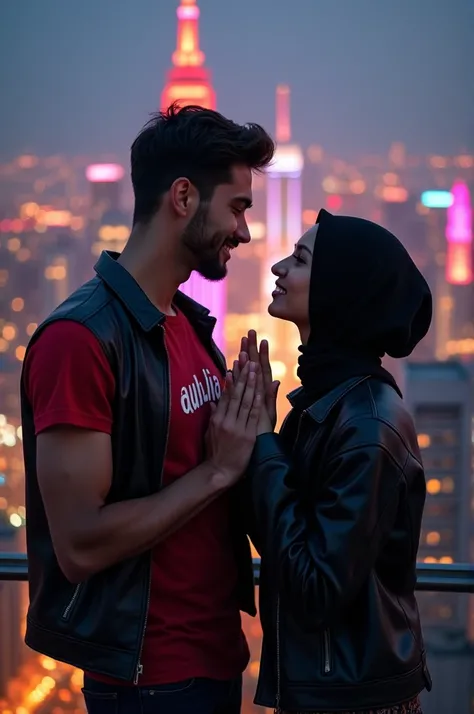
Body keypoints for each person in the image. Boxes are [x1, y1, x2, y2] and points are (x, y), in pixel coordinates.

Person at [20, 103, 275, 714]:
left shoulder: (186, 327)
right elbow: (78, 545)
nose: (243, 232)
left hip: (213, 663)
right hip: (148, 682)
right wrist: (217, 470)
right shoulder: (81, 340)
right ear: (183, 197)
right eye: (236, 208)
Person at [241, 209, 434, 714]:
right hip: (333, 690)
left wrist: (263, 445)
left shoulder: (366, 427)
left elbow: (316, 588)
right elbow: (291, 541)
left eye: (300, 260)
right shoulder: (328, 405)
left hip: (354, 699)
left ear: (339, 292)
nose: (278, 267)